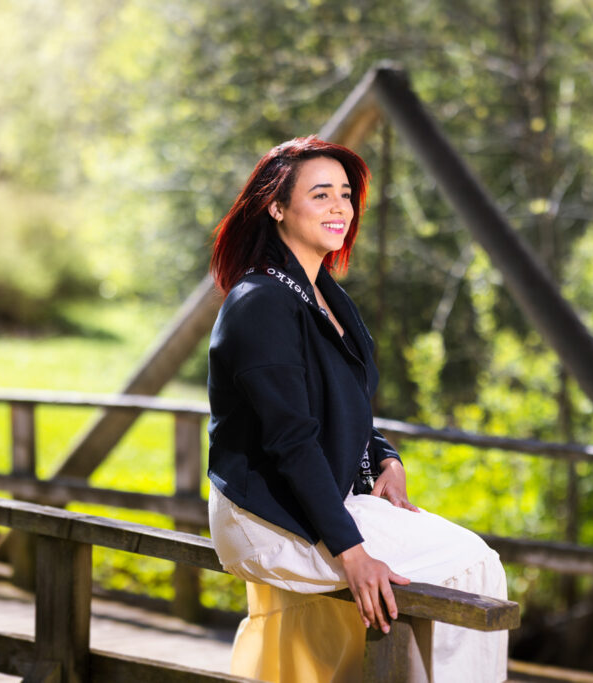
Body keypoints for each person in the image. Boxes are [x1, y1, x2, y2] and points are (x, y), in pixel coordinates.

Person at [205, 135, 508, 682]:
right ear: (276, 206)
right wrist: (351, 550)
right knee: (469, 567)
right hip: (265, 513)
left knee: (468, 564)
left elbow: (344, 401)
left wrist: (385, 457)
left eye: (345, 194)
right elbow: (289, 437)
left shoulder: (325, 295)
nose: (339, 207)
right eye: (320, 194)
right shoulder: (259, 303)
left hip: (317, 494)